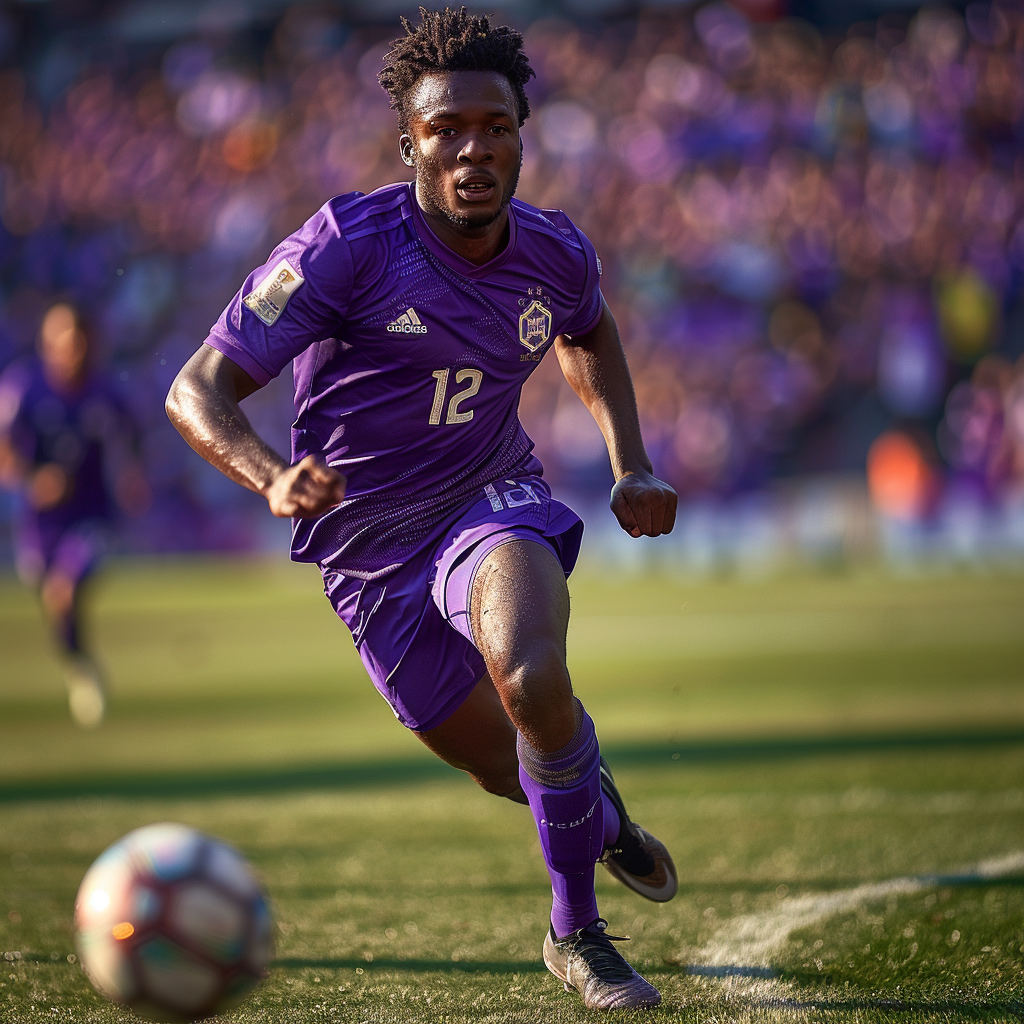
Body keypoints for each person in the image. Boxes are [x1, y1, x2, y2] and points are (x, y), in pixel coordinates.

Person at [166, 7, 678, 1010]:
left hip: (489, 496)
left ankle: (576, 933)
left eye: (494, 125)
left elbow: (589, 334)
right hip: (366, 554)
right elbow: (198, 389)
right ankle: (599, 815)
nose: (472, 148)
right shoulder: (342, 247)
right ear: (410, 143)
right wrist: (272, 476)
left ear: (523, 134)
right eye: (445, 130)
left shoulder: (553, 251)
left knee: (531, 676)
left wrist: (631, 462)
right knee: (509, 767)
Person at [0, 302, 147, 727]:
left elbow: (131, 439)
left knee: (64, 589)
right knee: (56, 603)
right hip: (40, 521)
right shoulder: (23, 388)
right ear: (49, 343)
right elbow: (5, 452)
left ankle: (83, 672)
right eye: (66, 339)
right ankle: (80, 664)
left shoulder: (106, 393)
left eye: (82, 340)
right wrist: (33, 480)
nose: (75, 348)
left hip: (92, 515)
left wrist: (133, 477)